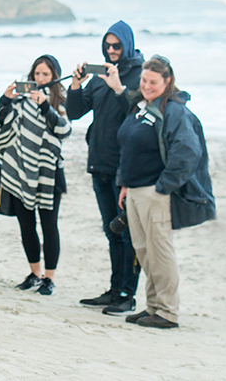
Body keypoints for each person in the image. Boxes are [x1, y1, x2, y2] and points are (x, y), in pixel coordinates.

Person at [114, 55, 212, 329]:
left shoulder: (174, 111)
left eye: (153, 82)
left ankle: (167, 312)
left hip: (154, 192)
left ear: (167, 82)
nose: (146, 85)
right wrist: (124, 183)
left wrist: (163, 187)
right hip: (134, 190)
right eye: (144, 80)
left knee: (160, 252)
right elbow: (128, 147)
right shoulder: (142, 105)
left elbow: (189, 152)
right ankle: (152, 306)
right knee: (143, 252)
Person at [66, 20, 145, 315]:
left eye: (117, 45)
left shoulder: (139, 75)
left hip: (125, 166)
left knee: (127, 232)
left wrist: (119, 88)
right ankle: (114, 289)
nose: (111, 50)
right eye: (107, 45)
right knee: (111, 230)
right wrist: (75, 86)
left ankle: (127, 293)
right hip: (99, 162)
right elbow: (75, 112)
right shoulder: (99, 75)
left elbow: (138, 113)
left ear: (128, 45)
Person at [0, 54, 72, 296]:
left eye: (45, 74)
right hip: (19, 170)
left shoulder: (61, 99)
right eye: (37, 74)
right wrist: (5, 99)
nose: (40, 78)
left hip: (49, 173)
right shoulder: (20, 99)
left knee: (49, 226)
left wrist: (45, 105)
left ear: (54, 77)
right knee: (26, 225)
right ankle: (34, 273)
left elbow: (64, 130)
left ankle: (49, 278)